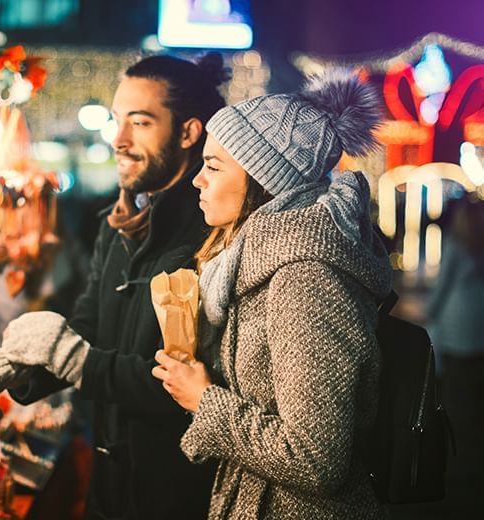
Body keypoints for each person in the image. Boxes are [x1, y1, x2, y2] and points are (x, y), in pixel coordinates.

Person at [0, 53, 229, 519]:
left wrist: (77, 361)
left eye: (140, 123)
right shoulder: (118, 224)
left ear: (188, 132)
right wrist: (13, 368)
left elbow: (193, 388)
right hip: (107, 488)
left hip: (175, 496)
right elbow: (87, 324)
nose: (119, 140)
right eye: (116, 120)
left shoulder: (213, 237)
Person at [151, 71, 393, 519]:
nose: (197, 181)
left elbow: (318, 460)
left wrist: (204, 400)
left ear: (264, 181)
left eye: (214, 166)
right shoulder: (252, 262)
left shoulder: (305, 278)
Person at [425, 196, 484, 516]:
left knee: (457, 403)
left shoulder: (456, 248)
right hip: (480, 334)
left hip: (456, 333)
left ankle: (460, 466)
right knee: (475, 401)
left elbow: (440, 291)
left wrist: (428, 317)